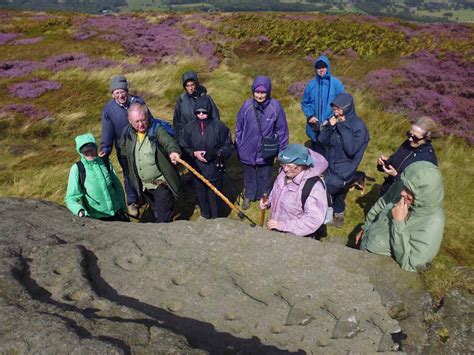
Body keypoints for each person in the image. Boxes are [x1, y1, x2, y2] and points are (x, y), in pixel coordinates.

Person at [358, 161, 445, 272]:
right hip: (363, 248)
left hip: (378, 270)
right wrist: (365, 227)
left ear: (425, 195)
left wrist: (398, 224)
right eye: (405, 186)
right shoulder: (403, 186)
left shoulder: (433, 224)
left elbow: (411, 264)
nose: (403, 193)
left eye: (409, 191)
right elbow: (381, 204)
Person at [119, 103, 181, 223]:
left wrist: (173, 152)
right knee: (156, 211)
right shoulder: (127, 134)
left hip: (161, 185)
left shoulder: (156, 130)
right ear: (129, 120)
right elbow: (123, 152)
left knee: (163, 219)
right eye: (136, 121)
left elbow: (168, 142)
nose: (141, 124)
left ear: (147, 116)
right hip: (143, 187)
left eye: (143, 120)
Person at [100, 75, 151, 218]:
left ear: (127, 91)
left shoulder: (138, 102)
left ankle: (149, 196)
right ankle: (132, 202)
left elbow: (149, 120)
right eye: (117, 93)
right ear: (112, 94)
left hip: (143, 143)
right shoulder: (109, 110)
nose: (120, 95)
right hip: (123, 148)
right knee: (129, 174)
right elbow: (107, 131)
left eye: (122, 91)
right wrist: (105, 148)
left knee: (145, 169)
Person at [235, 75, 289, 210]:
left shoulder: (275, 107)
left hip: (267, 150)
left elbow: (282, 130)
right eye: (257, 92)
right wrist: (239, 144)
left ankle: (263, 196)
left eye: (263, 92)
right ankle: (249, 195)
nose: (259, 95)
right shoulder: (246, 106)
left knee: (265, 174)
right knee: (249, 174)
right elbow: (239, 127)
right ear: (253, 91)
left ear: (268, 92)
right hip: (247, 149)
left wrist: (281, 150)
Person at [317, 93, 369, 227]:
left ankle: (321, 219)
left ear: (347, 108)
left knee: (322, 190)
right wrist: (329, 126)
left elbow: (351, 150)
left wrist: (342, 125)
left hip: (345, 169)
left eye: (337, 109)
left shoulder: (358, 126)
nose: (335, 111)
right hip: (331, 165)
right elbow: (322, 140)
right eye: (334, 108)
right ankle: (339, 216)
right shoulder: (336, 119)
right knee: (339, 192)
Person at [179, 96, 234, 219]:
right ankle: (204, 215)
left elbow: (229, 146)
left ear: (209, 111)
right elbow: (183, 147)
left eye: (204, 112)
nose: (201, 114)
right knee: (201, 196)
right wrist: (194, 154)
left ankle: (216, 218)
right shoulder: (188, 128)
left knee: (214, 198)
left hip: (214, 170)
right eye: (198, 112)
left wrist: (218, 153)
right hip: (197, 171)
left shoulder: (219, 127)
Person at [259, 144, 328, 238]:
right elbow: (277, 192)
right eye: (283, 164)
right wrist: (269, 201)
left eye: (289, 166)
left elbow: (313, 220)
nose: (285, 169)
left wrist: (282, 226)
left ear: (302, 166)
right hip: (276, 231)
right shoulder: (283, 173)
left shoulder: (314, 187)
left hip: (294, 238)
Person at [65, 133, 129, 221]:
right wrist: (79, 211)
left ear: (96, 147)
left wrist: (124, 209)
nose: (89, 153)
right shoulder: (78, 169)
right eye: (85, 151)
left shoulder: (105, 163)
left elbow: (118, 188)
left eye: (91, 149)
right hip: (97, 218)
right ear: (80, 152)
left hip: (118, 213)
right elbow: (71, 197)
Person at [377, 116, 441, 196]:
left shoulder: (428, 159)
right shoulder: (408, 143)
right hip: (386, 192)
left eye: (415, 138)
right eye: (409, 134)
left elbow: (418, 188)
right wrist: (384, 164)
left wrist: (396, 176)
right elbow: (394, 162)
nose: (410, 139)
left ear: (427, 138)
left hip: (401, 200)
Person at [301, 55, 345, 154]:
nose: (321, 70)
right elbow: (305, 103)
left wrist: (333, 119)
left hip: (332, 126)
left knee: (331, 155)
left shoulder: (337, 84)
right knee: (317, 156)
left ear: (328, 68)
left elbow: (343, 103)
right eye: (318, 68)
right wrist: (310, 116)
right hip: (315, 127)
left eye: (323, 67)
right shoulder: (310, 85)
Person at [173, 71, 220, 143]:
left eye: (192, 85)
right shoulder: (181, 100)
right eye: (187, 86)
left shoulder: (206, 98)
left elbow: (215, 117)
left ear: (196, 84)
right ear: (184, 87)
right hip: (188, 139)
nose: (190, 88)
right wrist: (178, 140)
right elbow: (177, 122)